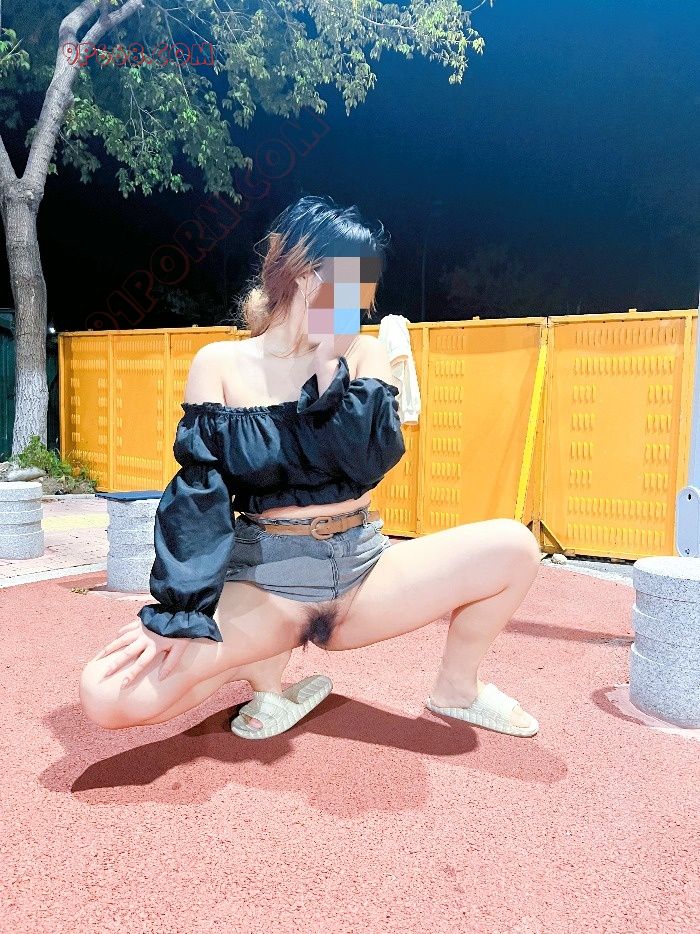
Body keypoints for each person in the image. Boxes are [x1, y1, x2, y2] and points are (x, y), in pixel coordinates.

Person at [79, 194, 542, 740]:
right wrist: (178, 614)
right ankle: (262, 671)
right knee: (107, 696)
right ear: (301, 273)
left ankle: (457, 688)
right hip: (266, 583)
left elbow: (367, 462)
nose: (360, 304)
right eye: (350, 281)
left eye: (363, 289)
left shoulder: (363, 355)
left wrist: (327, 369)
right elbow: (199, 500)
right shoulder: (219, 363)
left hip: (364, 571)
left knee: (514, 548)